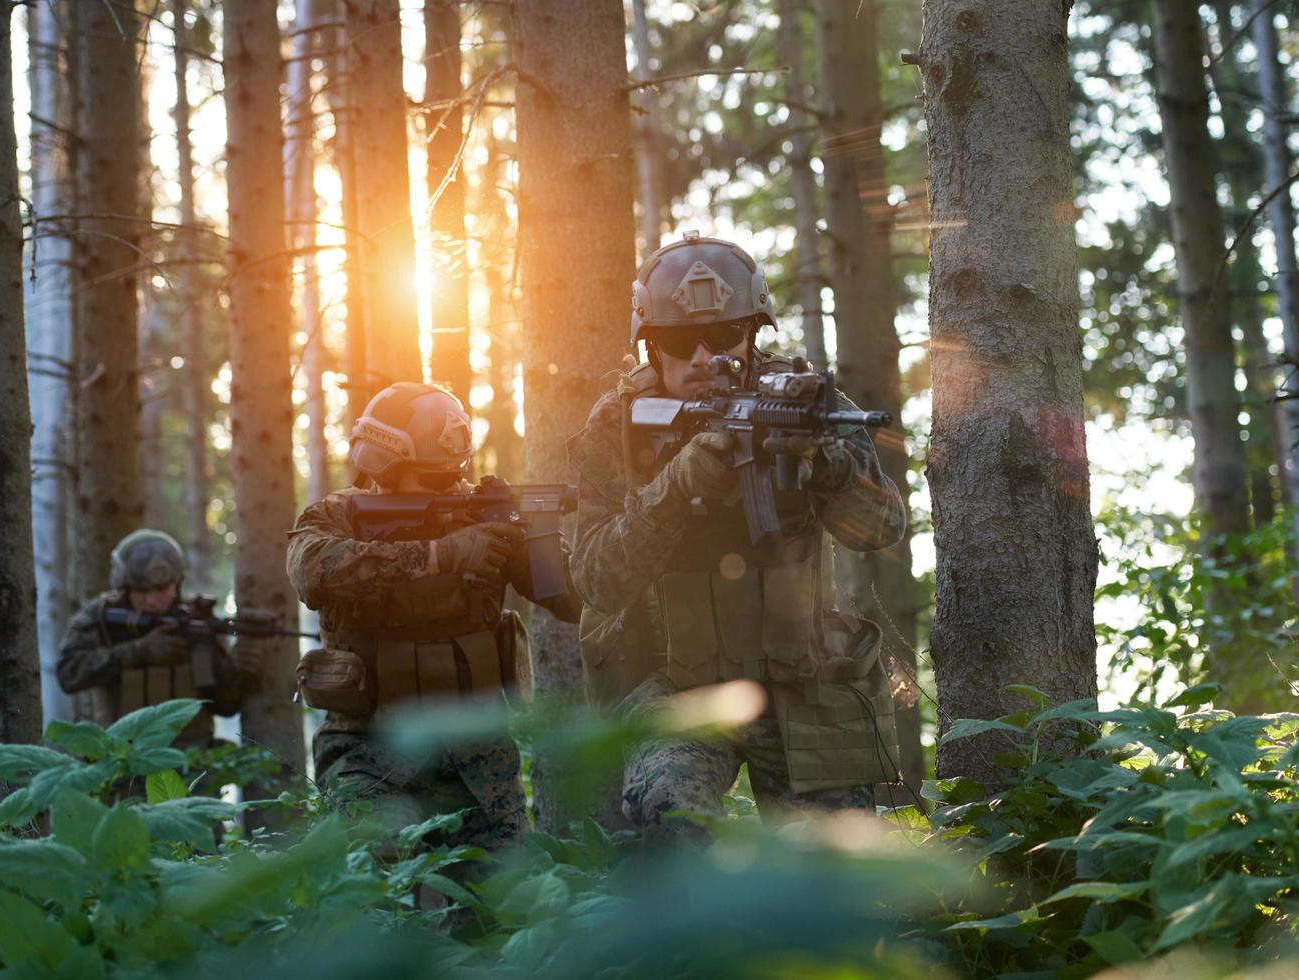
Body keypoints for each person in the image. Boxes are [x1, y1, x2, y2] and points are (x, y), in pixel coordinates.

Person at [567, 232, 909, 845]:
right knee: (678, 824)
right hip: (678, 685)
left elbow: (881, 530)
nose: (704, 358)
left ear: (753, 331)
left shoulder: (808, 405)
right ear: (649, 344)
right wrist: (680, 482)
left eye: (724, 337)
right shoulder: (618, 426)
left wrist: (828, 467)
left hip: (803, 677)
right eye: (678, 341)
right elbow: (596, 578)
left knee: (837, 878)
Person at [287, 382, 579, 858]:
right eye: (428, 481)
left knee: (501, 904)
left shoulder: (487, 519)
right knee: (377, 888)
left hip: (477, 756)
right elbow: (311, 572)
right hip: (368, 748)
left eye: (448, 479)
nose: (448, 491)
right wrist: (439, 555)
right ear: (386, 468)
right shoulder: (338, 515)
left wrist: (538, 537)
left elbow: (574, 600)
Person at [58, 529, 257, 751]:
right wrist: (139, 650)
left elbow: (224, 705)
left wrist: (233, 669)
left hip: (190, 763)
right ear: (124, 588)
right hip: (121, 762)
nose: (151, 601)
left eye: (161, 589)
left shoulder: (196, 624)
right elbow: (69, 673)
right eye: (140, 591)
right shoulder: (101, 617)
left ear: (177, 584)